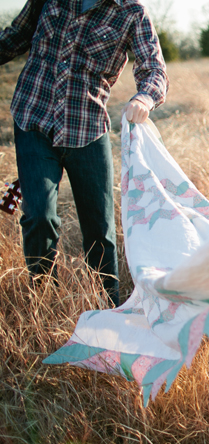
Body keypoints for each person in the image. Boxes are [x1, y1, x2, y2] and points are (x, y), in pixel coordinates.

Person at [0, 0, 169, 307]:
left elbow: (154, 68)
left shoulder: (131, 12)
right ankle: (43, 301)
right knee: (39, 216)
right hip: (32, 120)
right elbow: (13, 38)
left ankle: (106, 312)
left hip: (87, 130)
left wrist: (145, 96)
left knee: (100, 233)